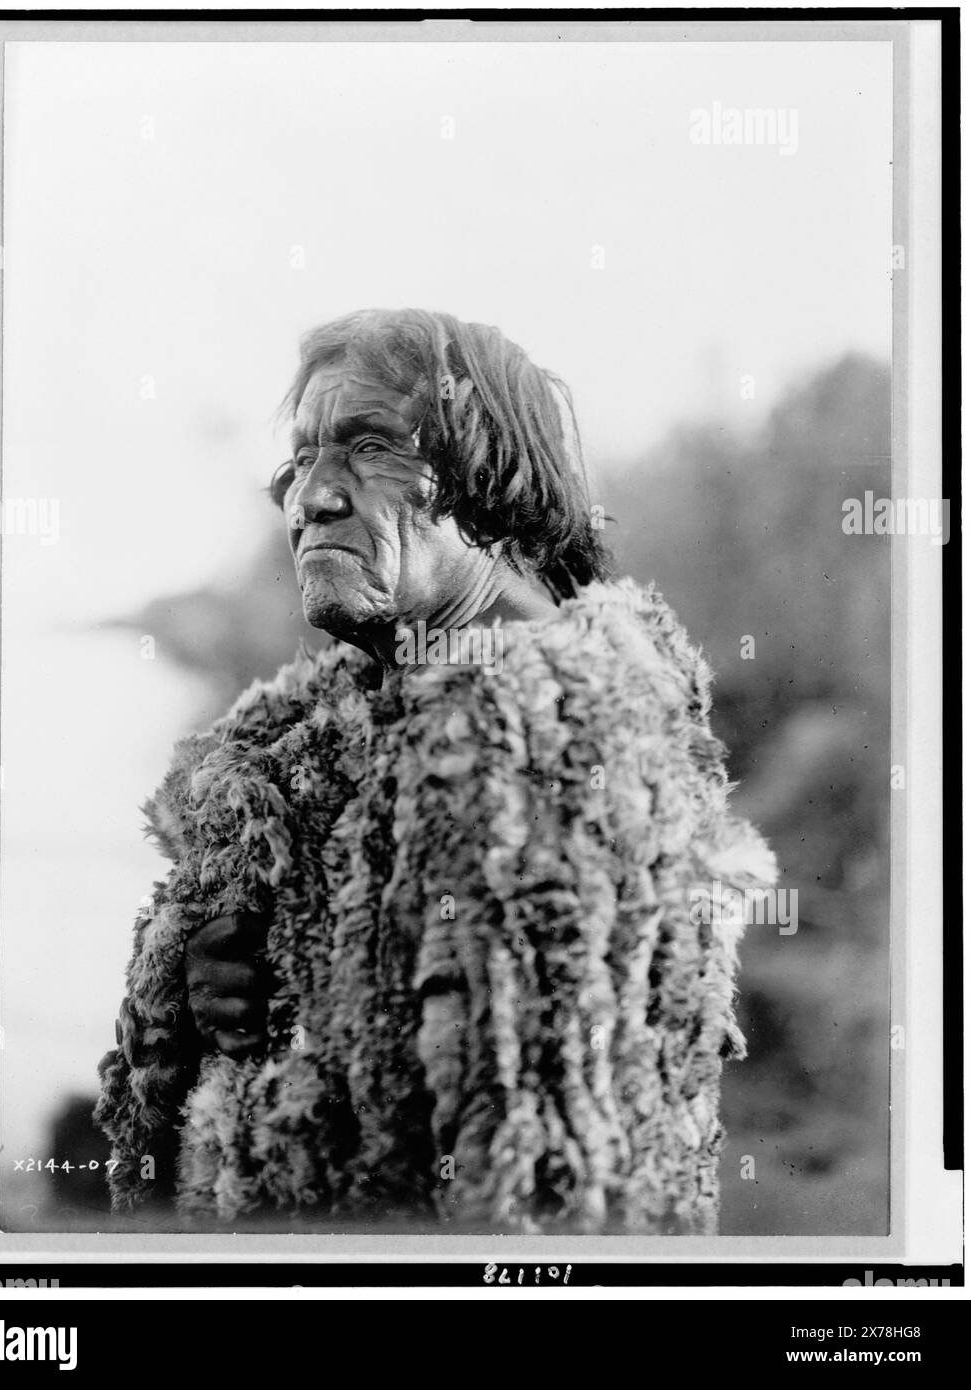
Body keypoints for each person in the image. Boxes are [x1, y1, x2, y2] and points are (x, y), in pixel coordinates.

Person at [96, 308, 774, 1233]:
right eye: (301, 460)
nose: (313, 497)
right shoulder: (320, 730)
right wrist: (204, 980)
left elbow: (549, 1179)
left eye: (370, 447)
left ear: (488, 481)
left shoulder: (556, 732)